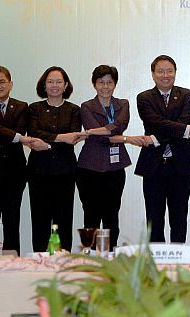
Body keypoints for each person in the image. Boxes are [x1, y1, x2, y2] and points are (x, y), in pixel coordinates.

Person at [0, 66, 43, 255]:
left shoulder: (22, 107)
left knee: (12, 222)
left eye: (2, 82)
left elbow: (16, 130)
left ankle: (13, 265)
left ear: (10, 84)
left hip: (15, 173)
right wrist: (14, 137)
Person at [136, 55, 190, 244]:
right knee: (154, 219)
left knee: (179, 217)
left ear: (175, 73)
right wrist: (186, 131)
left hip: (180, 165)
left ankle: (178, 263)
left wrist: (156, 139)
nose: (165, 75)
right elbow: (154, 122)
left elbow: (183, 122)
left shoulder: (186, 94)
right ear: (153, 74)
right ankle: (155, 265)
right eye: (160, 71)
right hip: (153, 166)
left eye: (169, 71)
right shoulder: (144, 98)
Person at [77, 65, 140, 248]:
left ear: (115, 84)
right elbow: (109, 131)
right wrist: (106, 132)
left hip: (115, 168)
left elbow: (120, 126)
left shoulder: (123, 104)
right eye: (101, 82)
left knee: (112, 214)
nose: (105, 87)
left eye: (109, 82)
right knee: (91, 214)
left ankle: (110, 253)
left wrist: (93, 132)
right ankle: (90, 255)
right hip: (89, 168)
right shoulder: (86, 106)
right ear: (94, 84)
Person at [27, 66, 85, 252]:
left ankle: (62, 260)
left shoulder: (74, 110)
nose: (54, 85)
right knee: (40, 218)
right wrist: (61, 138)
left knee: (63, 219)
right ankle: (40, 260)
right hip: (38, 172)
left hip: (65, 172)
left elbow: (73, 138)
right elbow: (35, 133)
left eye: (59, 81)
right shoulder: (34, 108)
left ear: (66, 85)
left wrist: (49, 142)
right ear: (44, 85)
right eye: (50, 81)